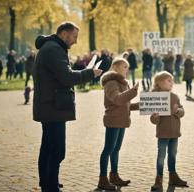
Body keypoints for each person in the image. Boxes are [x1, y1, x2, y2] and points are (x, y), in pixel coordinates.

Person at [33, 21, 102, 192]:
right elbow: (67, 77)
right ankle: (50, 187)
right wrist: (90, 73)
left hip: (49, 105)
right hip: (53, 106)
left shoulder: (51, 48)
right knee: (57, 150)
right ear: (64, 34)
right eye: (74, 36)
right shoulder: (54, 50)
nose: (76, 41)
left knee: (48, 146)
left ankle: (49, 182)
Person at [97, 58, 139, 191]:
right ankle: (102, 179)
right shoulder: (111, 83)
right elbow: (118, 99)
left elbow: (126, 105)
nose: (127, 70)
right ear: (115, 67)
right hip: (113, 120)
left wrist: (144, 105)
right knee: (108, 150)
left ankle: (114, 176)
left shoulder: (122, 83)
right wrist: (133, 91)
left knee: (116, 149)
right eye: (124, 67)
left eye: (127, 67)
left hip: (122, 120)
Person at [150, 71, 188, 191]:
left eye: (172, 81)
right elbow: (153, 120)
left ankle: (173, 176)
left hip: (175, 133)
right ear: (159, 83)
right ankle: (159, 179)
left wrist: (178, 111)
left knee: (172, 155)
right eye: (168, 80)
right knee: (161, 156)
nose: (172, 83)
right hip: (163, 133)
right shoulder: (155, 98)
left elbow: (182, 112)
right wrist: (155, 116)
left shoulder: (175, 96)